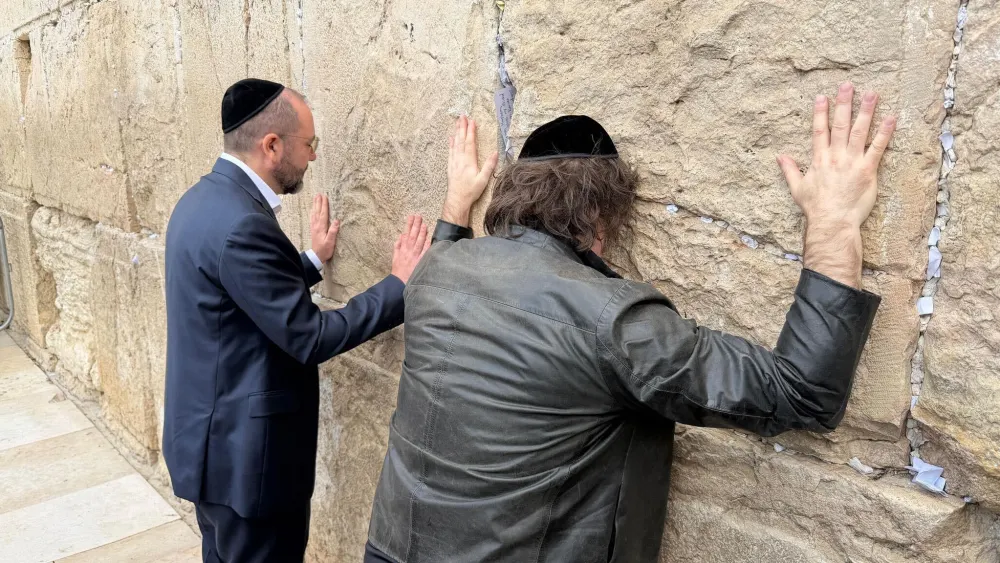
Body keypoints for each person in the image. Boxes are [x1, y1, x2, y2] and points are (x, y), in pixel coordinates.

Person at [364, 83, 896, 562]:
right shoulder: (610, 319)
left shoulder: (435, 270)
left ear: (509, 198)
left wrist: (456, 204)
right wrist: (833, 222)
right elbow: (800, 392)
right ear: (602, 217)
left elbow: (449, 258)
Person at [162, 78, 431, 563]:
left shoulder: (198, 203)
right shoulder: (244, 223)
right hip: (248, 465)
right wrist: (397, 286)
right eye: (309, 144)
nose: (311, 157)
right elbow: (308, 336)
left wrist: (309, 259)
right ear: (271, 145)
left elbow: (235, 293)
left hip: (210, 452)